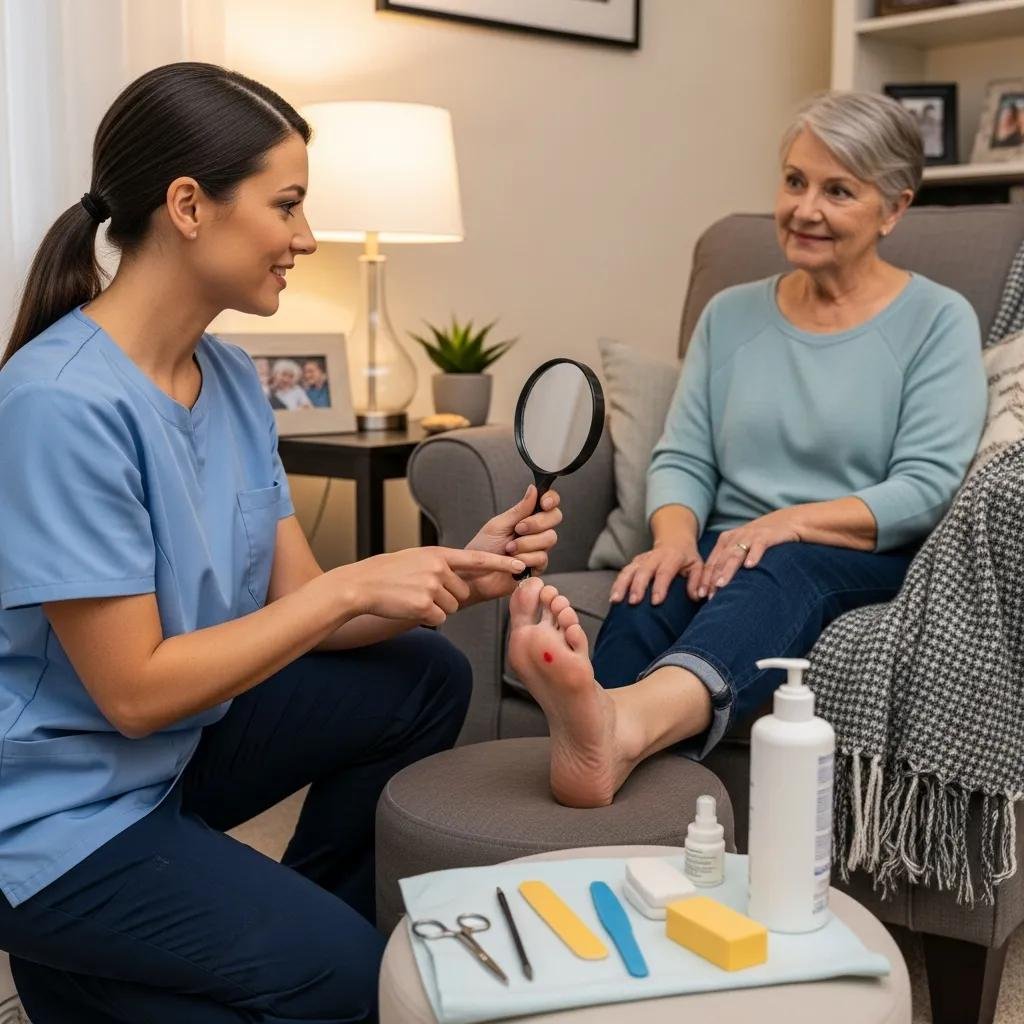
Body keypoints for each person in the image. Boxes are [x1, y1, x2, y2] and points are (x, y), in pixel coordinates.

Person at [0, 61, 562, 1022]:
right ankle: (106, 958)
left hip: (173, 757)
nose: (305, 238)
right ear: (188, 205)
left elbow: (293, 604)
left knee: (422, 672)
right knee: (351, 982)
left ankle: (265, 932)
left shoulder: (224, 373)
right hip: (52, 810)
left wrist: (448, 574)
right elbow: (134, 694)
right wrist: (351, 591)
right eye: (288, 205)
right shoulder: (59, 404)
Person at [505, 90, 986, 810]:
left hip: (856, 553)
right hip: (732, 543)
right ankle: (592, 772)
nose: (806, 209)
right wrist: (672, 539)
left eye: (839, 191)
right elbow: (685, 455)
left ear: (892, 209)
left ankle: (623, 724)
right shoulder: (731, 313)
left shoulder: (937, 319)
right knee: (651, 585)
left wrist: (786, 522)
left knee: (773, 564)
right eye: (794, 181)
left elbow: (928, 485)